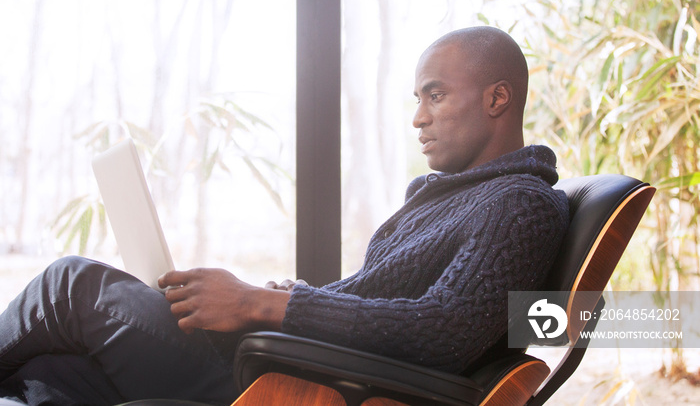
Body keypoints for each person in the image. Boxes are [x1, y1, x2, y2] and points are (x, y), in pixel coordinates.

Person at [0, 26, 569, 405]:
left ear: (498, 99)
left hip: (297, 389)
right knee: (50, 374)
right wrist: (288, 298)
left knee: (71, 287)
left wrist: (261, 303)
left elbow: (444, 332)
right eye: (416, 99)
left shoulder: (519, 203)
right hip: (293, 362)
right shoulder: (449, 197)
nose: (418, 117)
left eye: (435, 95)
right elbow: (384, 307)